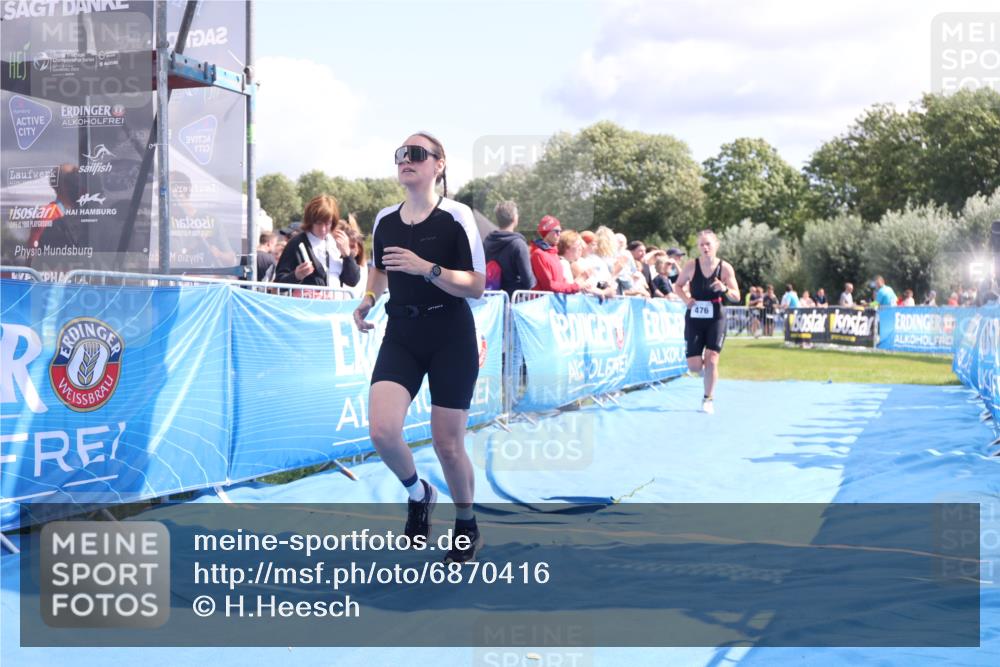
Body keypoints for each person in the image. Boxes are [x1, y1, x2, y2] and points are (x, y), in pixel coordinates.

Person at [352, 132, 485, 563]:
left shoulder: (457, 217)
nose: (406, 160)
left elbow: (478, 285)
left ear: (439, 164)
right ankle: (419, 492)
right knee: (382, 431)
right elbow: (378, 270)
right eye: (400, 155)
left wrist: (428, 269)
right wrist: (369, 298)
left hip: (451, 335)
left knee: (447, 444)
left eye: (416, 154)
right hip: (402, 334)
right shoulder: (385, 219)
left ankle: (466, 522)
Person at [673, 229, 740, 414]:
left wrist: (724, 288)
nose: (705, 247)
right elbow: (677, 286)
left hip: (716, 317)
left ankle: (708, 398)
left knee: (712, 358)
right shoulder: (691, 265)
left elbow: (737, 296)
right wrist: (687, 300)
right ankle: (706, 374)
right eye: (701, 244)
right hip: (695, 316)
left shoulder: (725, 268)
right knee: (694, 366)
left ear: (716, 245)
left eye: (708, 244)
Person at [275, 195, 360, 289]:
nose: (323, 229)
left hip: (335, 302)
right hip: (306, 302)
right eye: (318, 223)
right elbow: (278, 283)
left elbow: (353, 281)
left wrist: (347, 255)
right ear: (310, 221)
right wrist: (296, 275)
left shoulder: (338, 242)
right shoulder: (297, 243)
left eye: (327, 223)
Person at [483, 200, 535, 296]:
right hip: (512, 302)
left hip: (492, 300)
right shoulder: (519, 244)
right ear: (515, 218)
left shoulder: (487, 242)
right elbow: (528, 281)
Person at [530, 215, 584, 294]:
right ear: (547, 232)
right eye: (556, 231)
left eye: (560, 231)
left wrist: (577, 285)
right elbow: (549, 285)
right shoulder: (538, 254)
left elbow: (561, 281)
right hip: (544, 303)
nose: (559, 234)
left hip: (554, 303)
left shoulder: (554, 254)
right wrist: (575, 287)